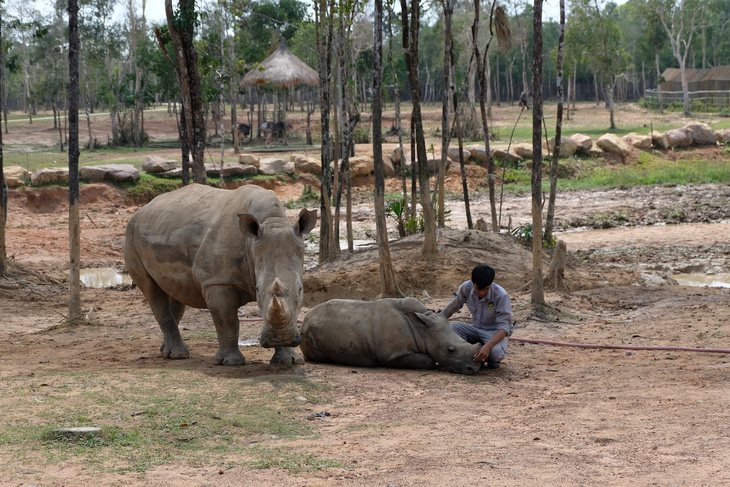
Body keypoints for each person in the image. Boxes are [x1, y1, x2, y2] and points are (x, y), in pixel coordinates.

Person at [441, 264, 513, 369]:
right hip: (474, 329)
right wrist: (437, 322)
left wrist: (488, 346)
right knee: (450, 330)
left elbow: (504, 328)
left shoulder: (501, 295)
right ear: (472, 281)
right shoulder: (465, 287)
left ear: (491, 284)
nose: (481, 293)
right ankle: (478, 351)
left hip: (493, 333)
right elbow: (452, 308)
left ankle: (489, 357)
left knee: (496, 353)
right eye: (478, 289)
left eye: (486, 289)